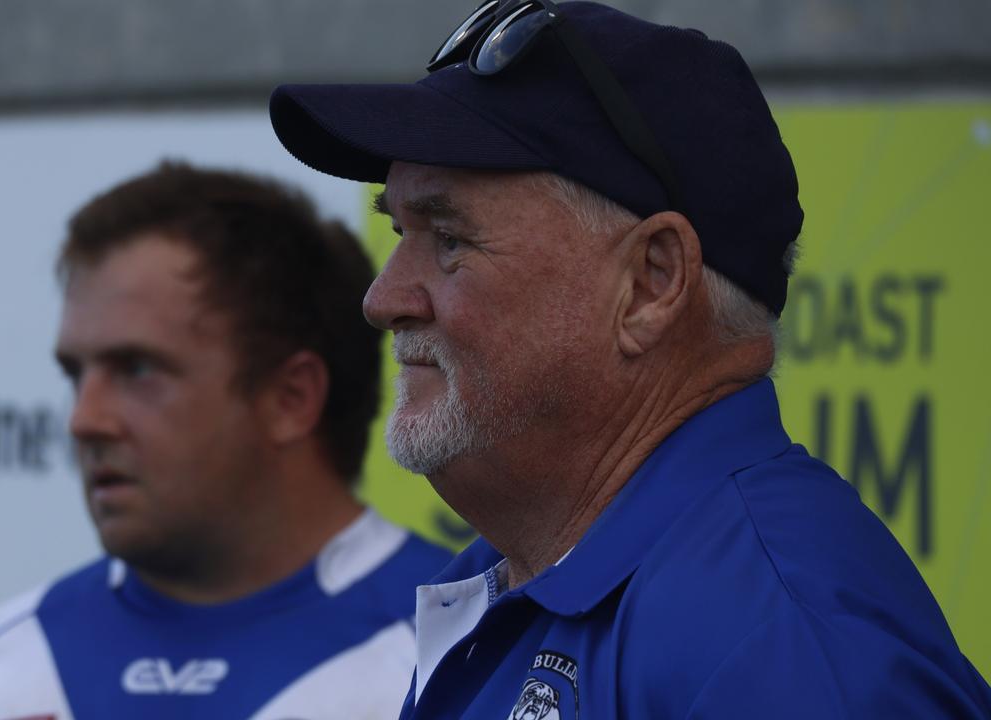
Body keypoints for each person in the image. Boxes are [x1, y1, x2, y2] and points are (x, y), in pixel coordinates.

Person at [269, 2, 991, 718]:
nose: (383, 296)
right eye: (400, 230)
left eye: (449, 238)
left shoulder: (781, 649)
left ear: (651, 283)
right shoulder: (543, 577)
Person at [0, 162, 451, 719]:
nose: (84, 420)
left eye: (138, 369)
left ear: (291, 398)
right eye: (76, 374)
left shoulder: (460, 653)